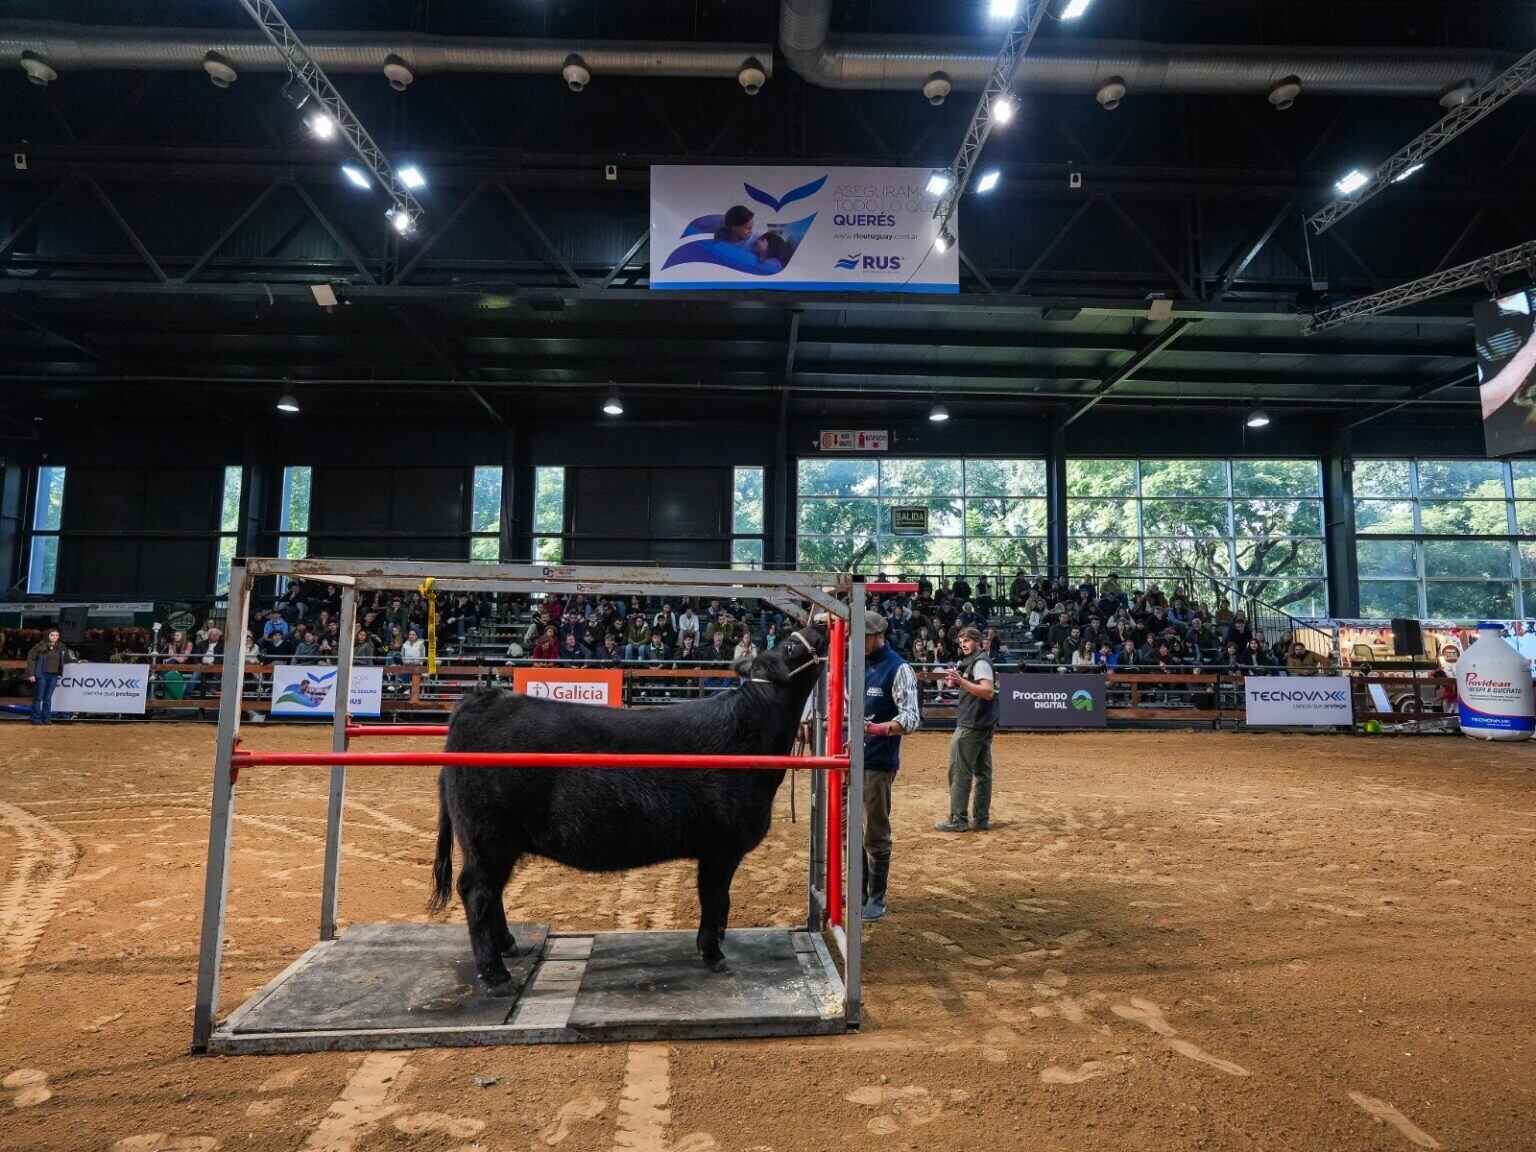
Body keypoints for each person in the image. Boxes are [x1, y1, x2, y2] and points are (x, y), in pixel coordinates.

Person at [860, 611, 921, 922]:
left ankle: (876, 896)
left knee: (875, 832)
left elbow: (911, 717)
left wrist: (879, 729)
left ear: (879, 636)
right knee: (847, 831)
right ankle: (861, 893)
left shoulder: (898, 668)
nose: (859, 640)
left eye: (865, 635)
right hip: (849, 760)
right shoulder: (853, 663)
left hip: (877, 762)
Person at [936, 626, 999, 833]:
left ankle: (958, 819)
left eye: (967, 640)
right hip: (982, 723)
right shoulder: (977, 660)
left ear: (978, 642)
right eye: (960, 640)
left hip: (971, 724)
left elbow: (988, 691)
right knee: (982, 773)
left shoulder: (979, 662)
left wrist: (961, 680)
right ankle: (980, 819)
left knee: (959, 771)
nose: (963, 643)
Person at [26, 628, 74, 725]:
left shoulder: (61, 647)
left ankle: (47, 719)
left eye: (56, 635)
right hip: (41, 674)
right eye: (52, 635)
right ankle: (36, 718)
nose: (54, 637)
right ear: (47, 635)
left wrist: (78, 661)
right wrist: (31, 674)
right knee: (38, 697)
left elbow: (67, 658)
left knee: (48, 698)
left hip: (53, 675)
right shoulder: (39, 646)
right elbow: (31, 659)